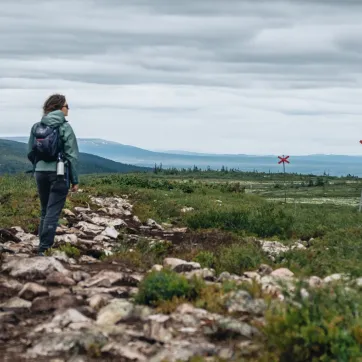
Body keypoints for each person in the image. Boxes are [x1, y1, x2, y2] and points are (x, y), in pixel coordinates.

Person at [27, 94, 79, 255]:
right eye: (66, 106)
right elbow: (72, 155)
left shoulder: (37, 126)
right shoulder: (65, 127)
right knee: (53, 211)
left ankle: (41, 245)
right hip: (59, 173)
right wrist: (75, 180)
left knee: (44, 210)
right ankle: (44, 249)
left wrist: (39, 166)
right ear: (59, 108)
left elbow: (30, 151)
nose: (68, 108)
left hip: (40, 172)